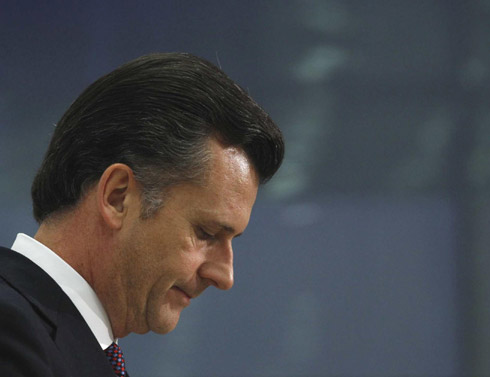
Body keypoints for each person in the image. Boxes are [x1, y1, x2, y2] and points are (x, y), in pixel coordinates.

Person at [0, 52, 284, 376]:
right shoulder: (10, 334)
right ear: (118, 197)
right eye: (206, 233)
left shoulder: (55, 339)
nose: (224, 276)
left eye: (232, 240)